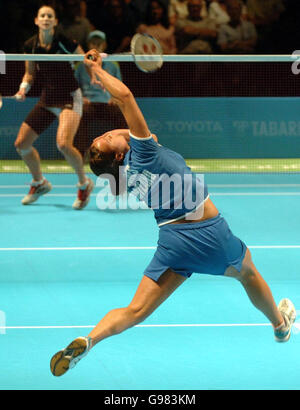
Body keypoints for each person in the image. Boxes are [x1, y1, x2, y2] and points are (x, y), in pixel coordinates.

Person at [50, 48, 296, 377]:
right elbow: (124, 95)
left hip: (172, 243)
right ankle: (280, 326)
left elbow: (128, 126)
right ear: (120, 155)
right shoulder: (145, 152)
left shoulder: (128, 175)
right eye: (109, 137)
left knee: (135, 310)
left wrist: (116, 129)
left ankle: (90, 339)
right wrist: (96, 69)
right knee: (247, 271)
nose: (112, 132)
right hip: (207, 231)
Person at [14, 4, 94, 210]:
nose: (46, 18)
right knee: (21, 144)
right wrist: (23, 89)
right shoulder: (31, 45)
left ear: (55, 21)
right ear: (37, 20)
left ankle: (84, 184)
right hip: (48, 98)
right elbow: (29, 73)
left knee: (64, 144)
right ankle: (39, 182)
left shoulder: (64, 41)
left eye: (50, 15)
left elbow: (85, 59)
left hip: (69, 96)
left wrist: (95, 76)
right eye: (43, 15)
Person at [74, 30, 127, 156]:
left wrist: (114, 98)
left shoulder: (113, 65)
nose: (96, 46)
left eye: (99, 43)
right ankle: (80, 154)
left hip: (108, 104)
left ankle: (125, 152)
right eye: (93, 43)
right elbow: (74, 86)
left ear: (104, 45)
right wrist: (81, 97)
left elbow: (119, 86)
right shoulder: (80, 65)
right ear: (88, 45)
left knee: (123, 115)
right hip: (89, 104)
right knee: (77, 116)